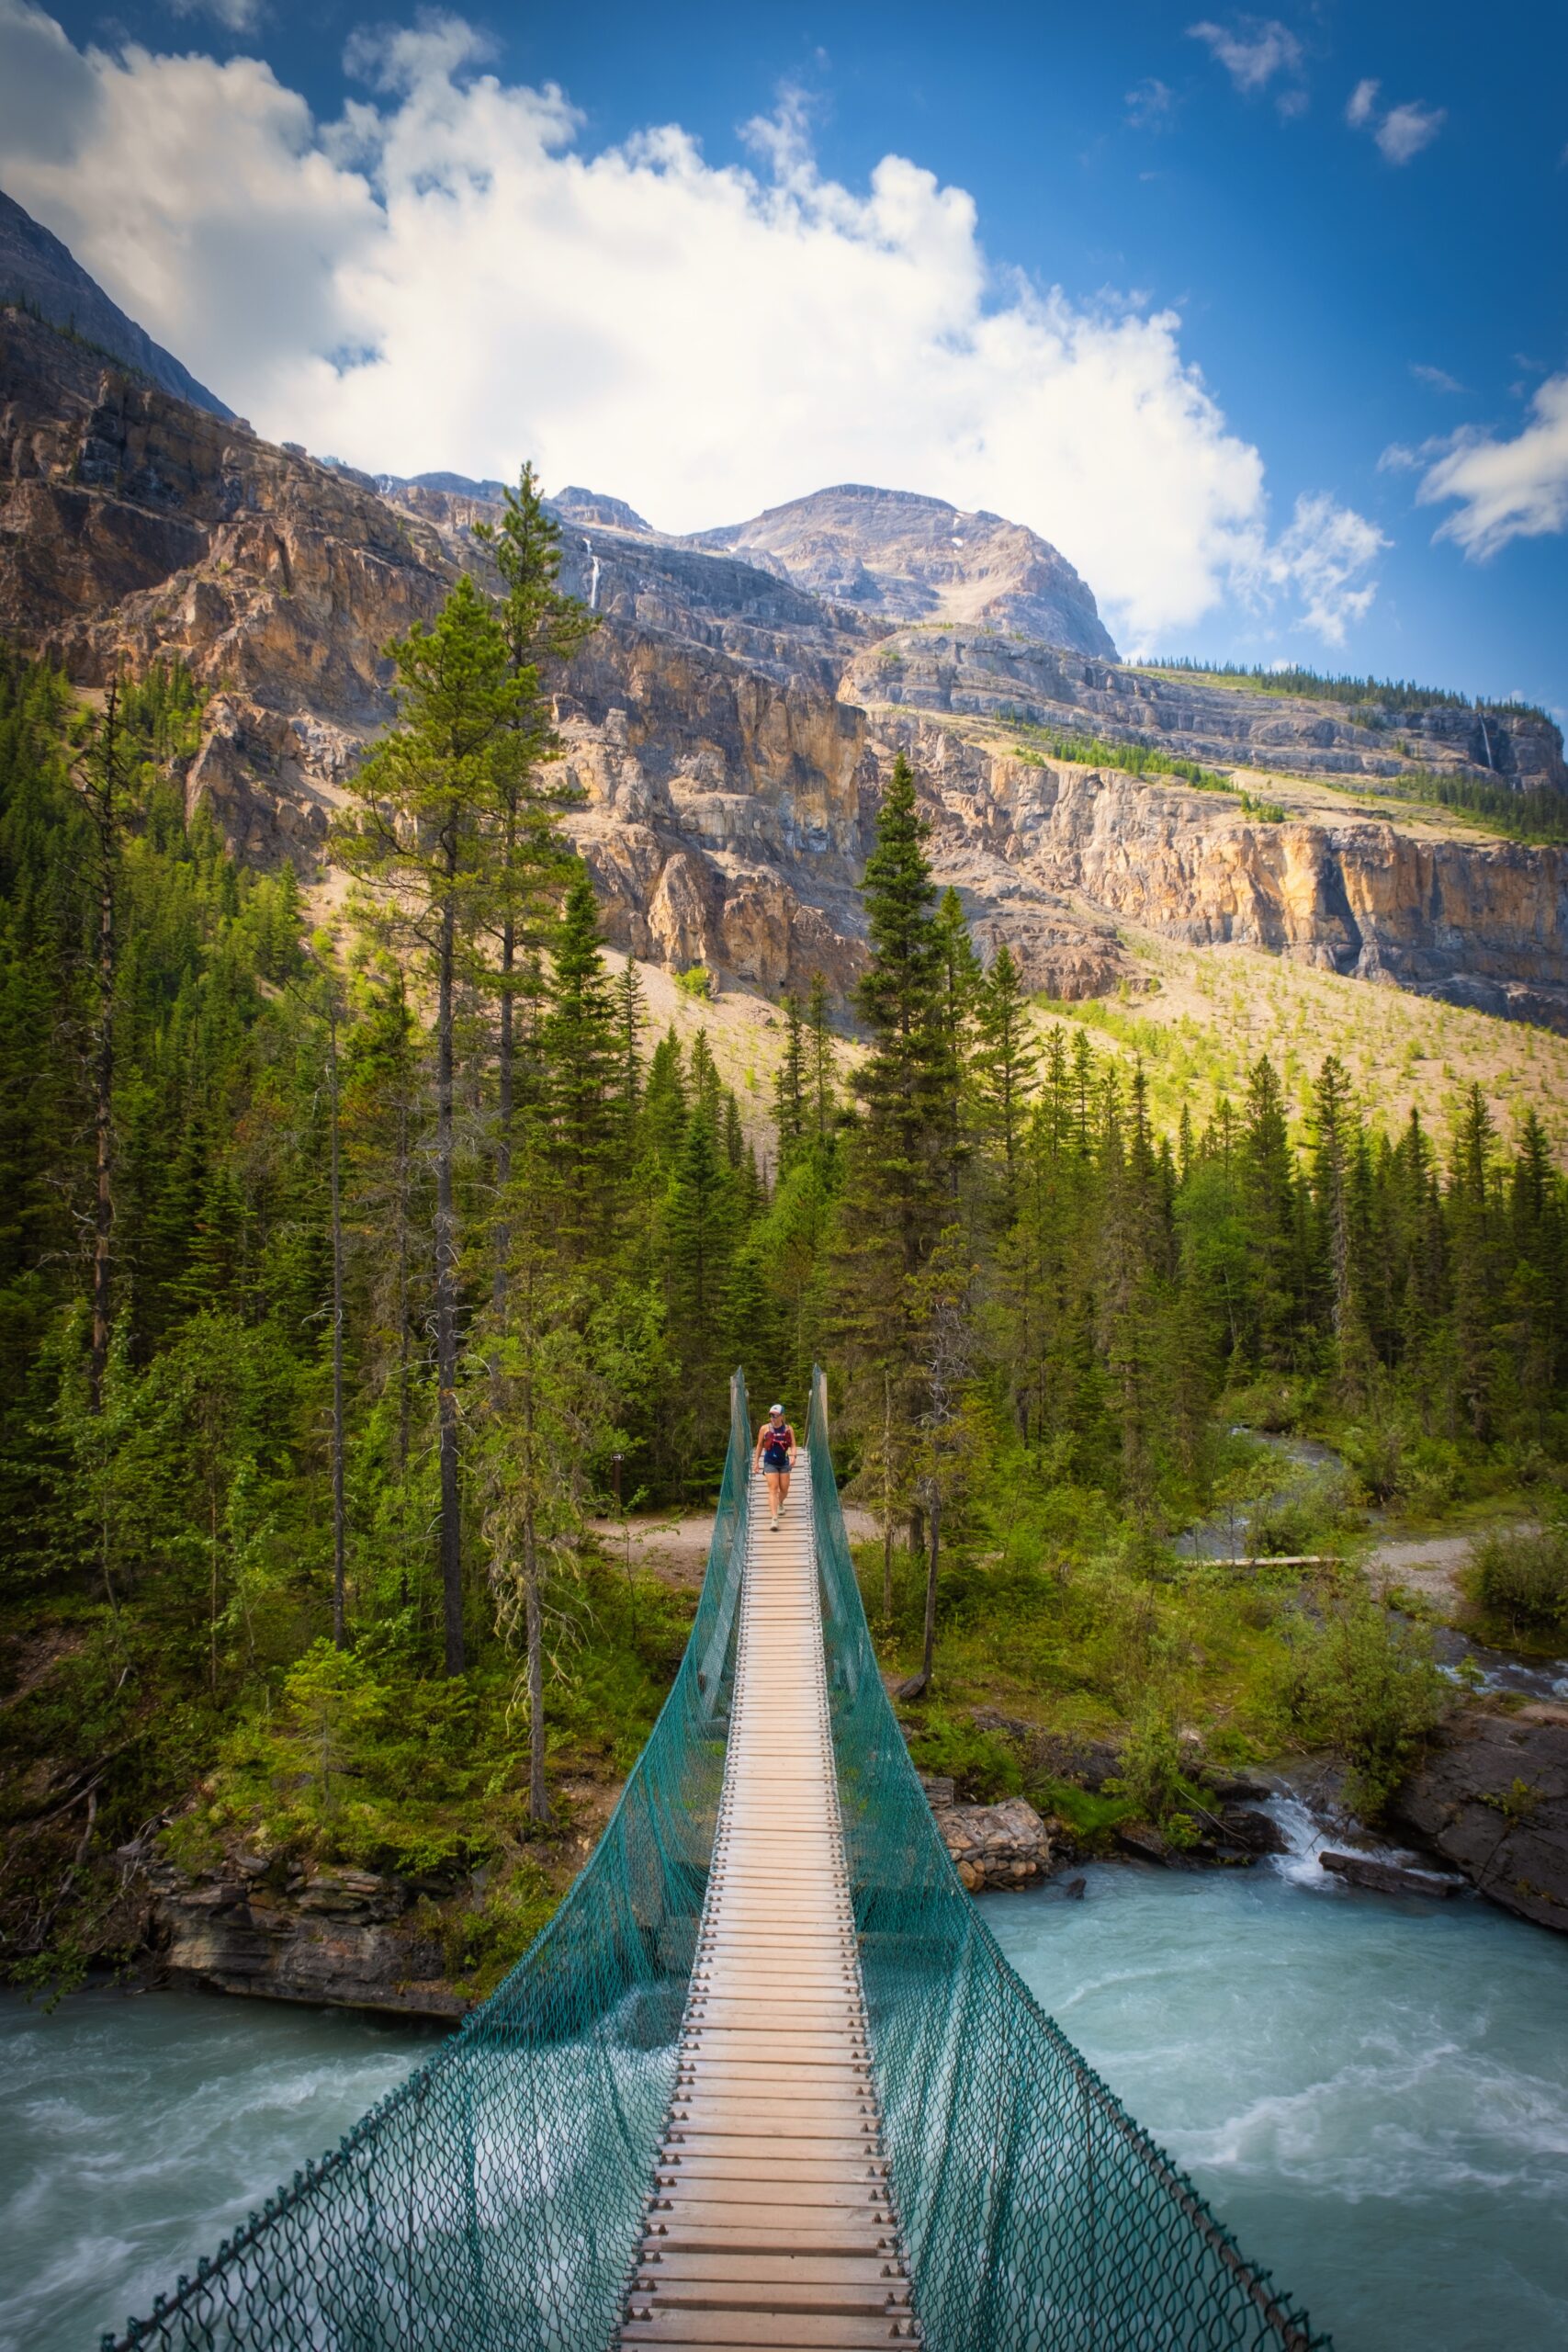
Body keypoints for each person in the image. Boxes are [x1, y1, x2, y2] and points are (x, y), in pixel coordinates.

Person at [754, 1402, 795, 1530]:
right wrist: (756, 1462)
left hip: (783, 1462)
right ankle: (774, 1519)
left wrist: (793, 1456)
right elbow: (760, 1445)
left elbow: (793, 1444)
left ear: (782, 1416)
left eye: (775, 1415)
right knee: (773, 1489)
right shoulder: (764, 1429)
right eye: (771, 1415)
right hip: (770, 1462)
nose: (773, 1418)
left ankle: (781, 1503)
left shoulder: (788, 1429)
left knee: (784, 1489)